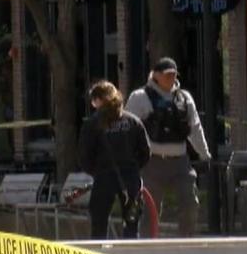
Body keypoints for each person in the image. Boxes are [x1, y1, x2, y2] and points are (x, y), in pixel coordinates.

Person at [125, 57, 211, 237]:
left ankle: (185, 244)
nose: (171, 78)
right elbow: (129, 130)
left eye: (174, 75)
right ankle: (148, 248)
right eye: (167, 75)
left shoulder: (184, 98)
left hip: (180, 162)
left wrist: (205, 155)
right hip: (152, 163)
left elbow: (195, 128)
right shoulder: (140, 97)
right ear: (156, 75)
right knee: (150, 211)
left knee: (190, 203)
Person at [78, 81, 151, 239]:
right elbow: (146, 152)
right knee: (132, 225)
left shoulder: (92, 124)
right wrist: (133, 168)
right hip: (130, 178)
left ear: (98, 100)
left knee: (99, 224)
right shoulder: (133, 122)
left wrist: (96, 171)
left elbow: (84, 156)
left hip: (104, 178)